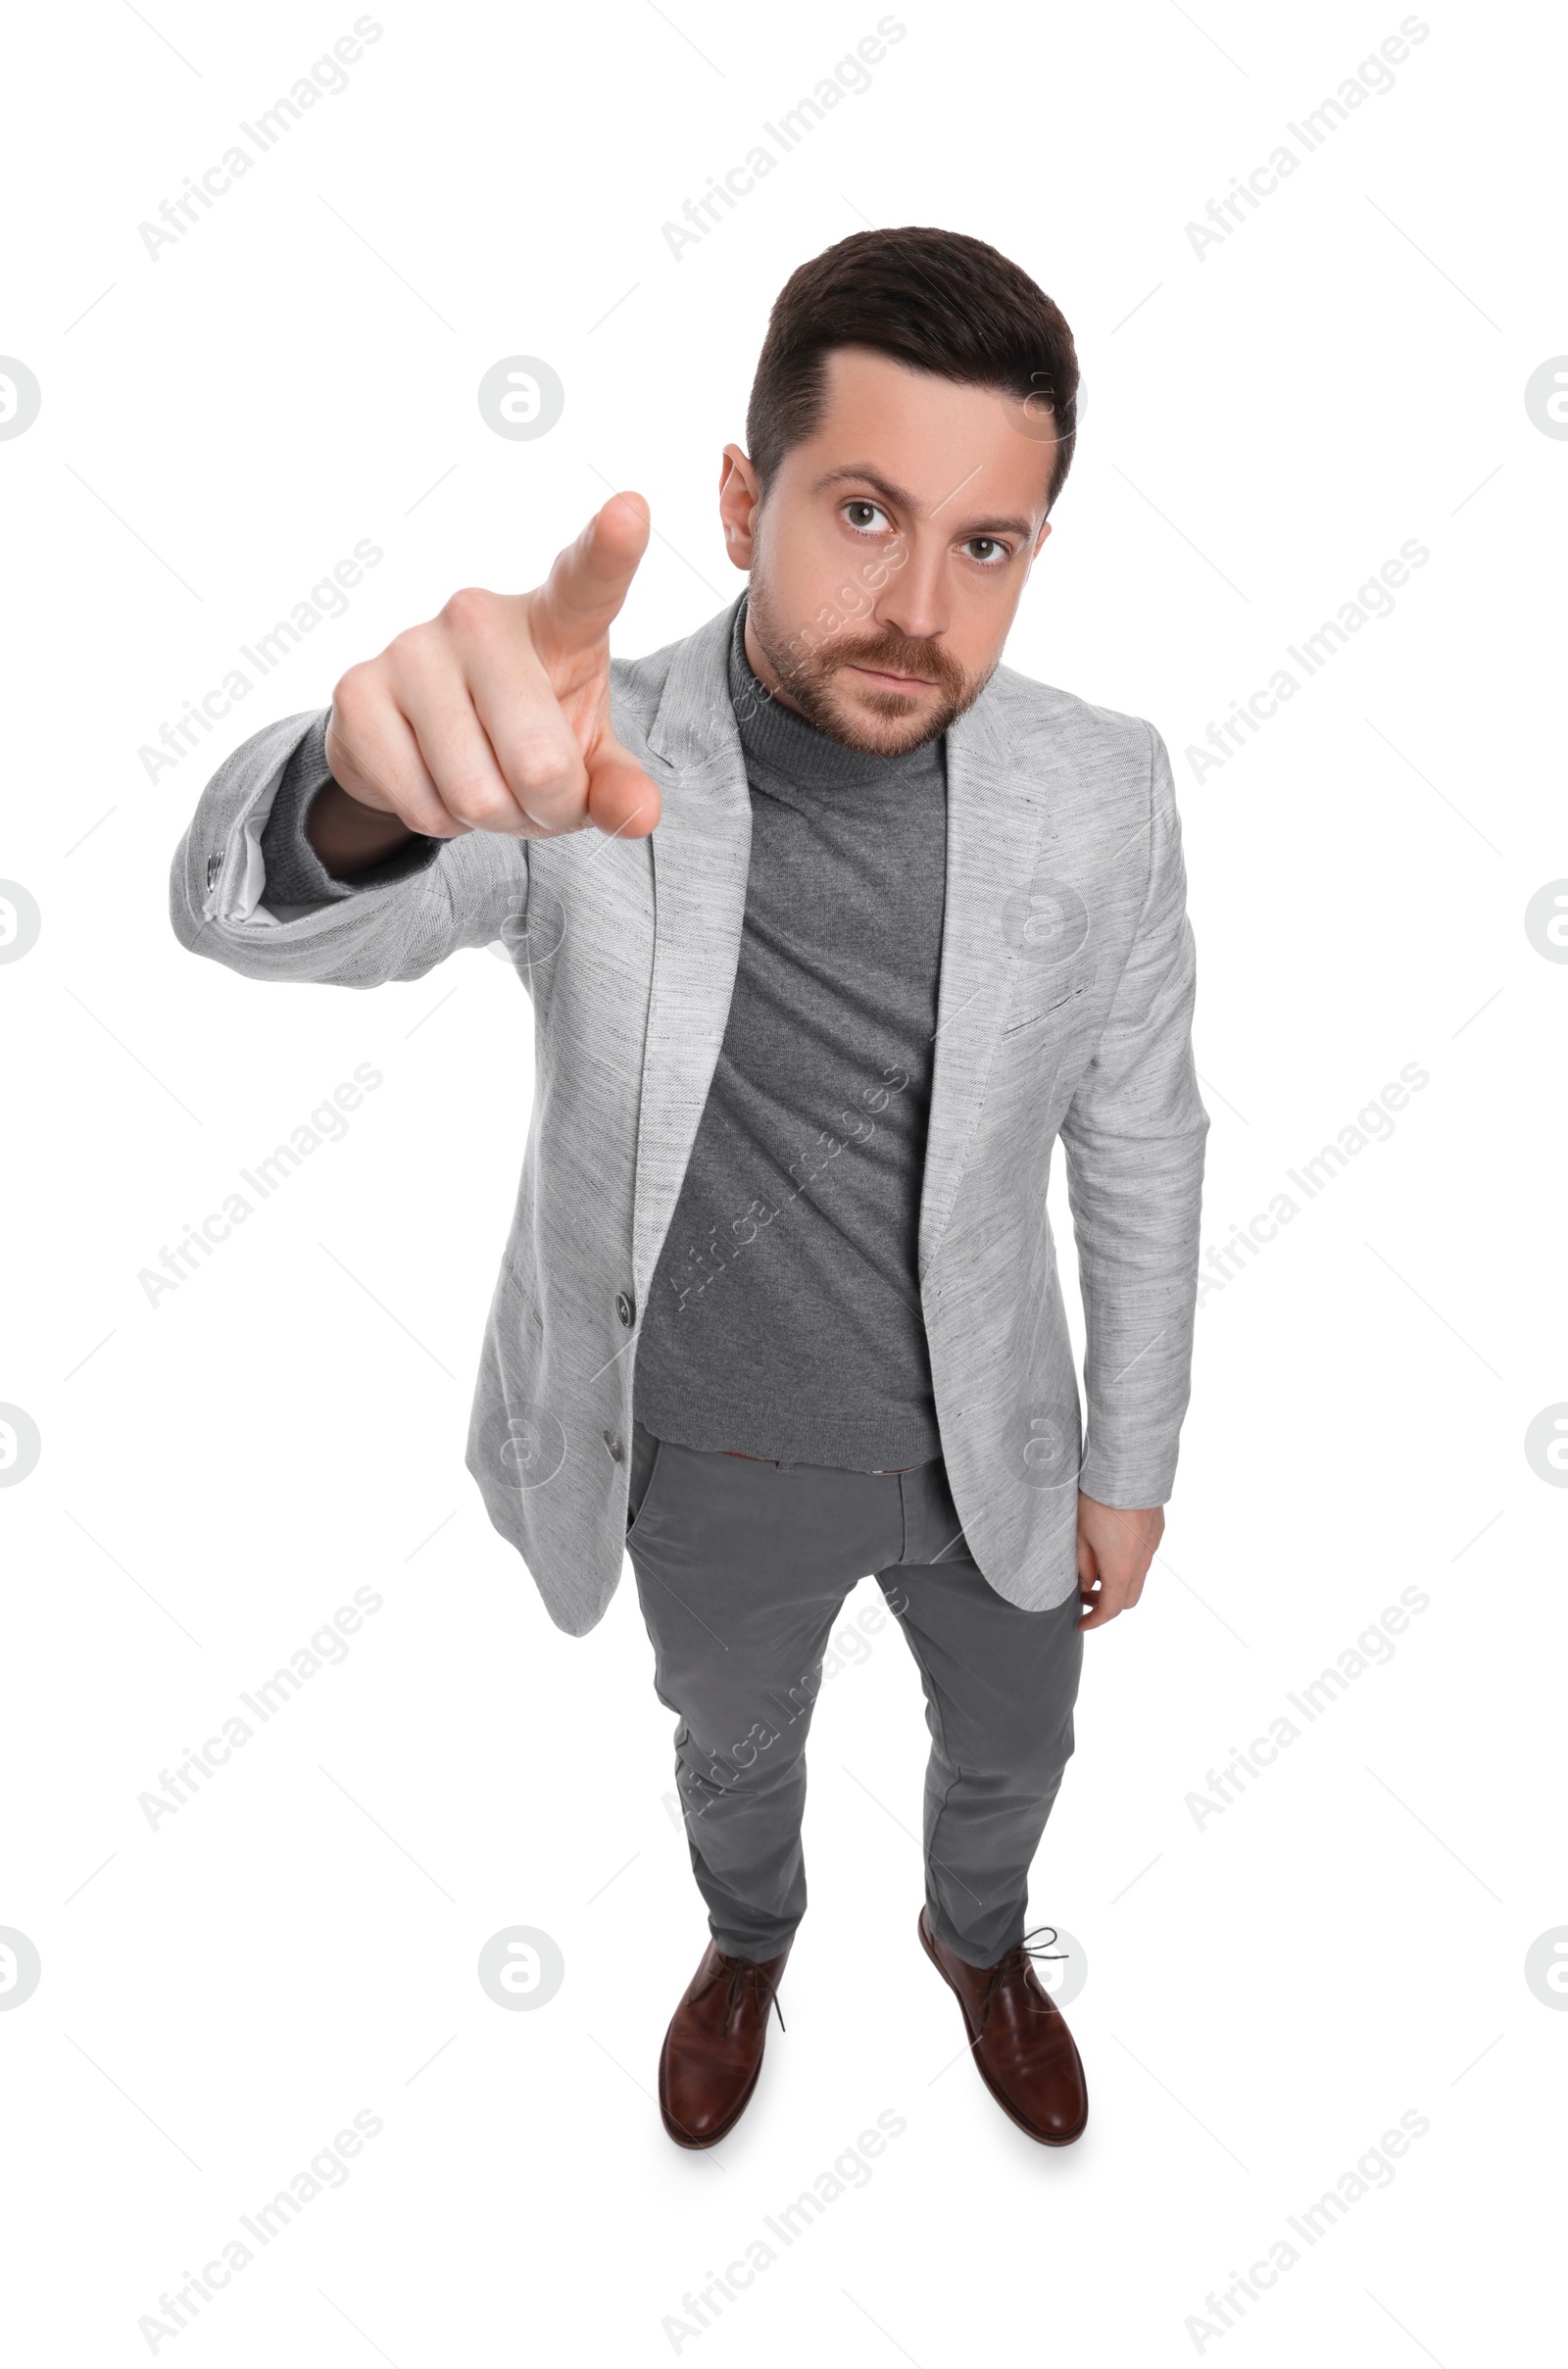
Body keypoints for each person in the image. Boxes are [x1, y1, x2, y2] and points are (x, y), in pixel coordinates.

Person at [171, 226, 1208, 2151]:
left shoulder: (1103, 786)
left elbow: (1134, 1130)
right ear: (747, 501)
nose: (914, 604)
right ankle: (747, 1941)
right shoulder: (581, 754)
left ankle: (975, 1942)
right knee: (730, 1745)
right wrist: (362, 780)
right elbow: (253, 905)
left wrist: (1128, 1464)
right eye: (863, 513)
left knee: (1012, 1746)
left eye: (983, 544)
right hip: (700, 1463)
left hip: (995, 1451)